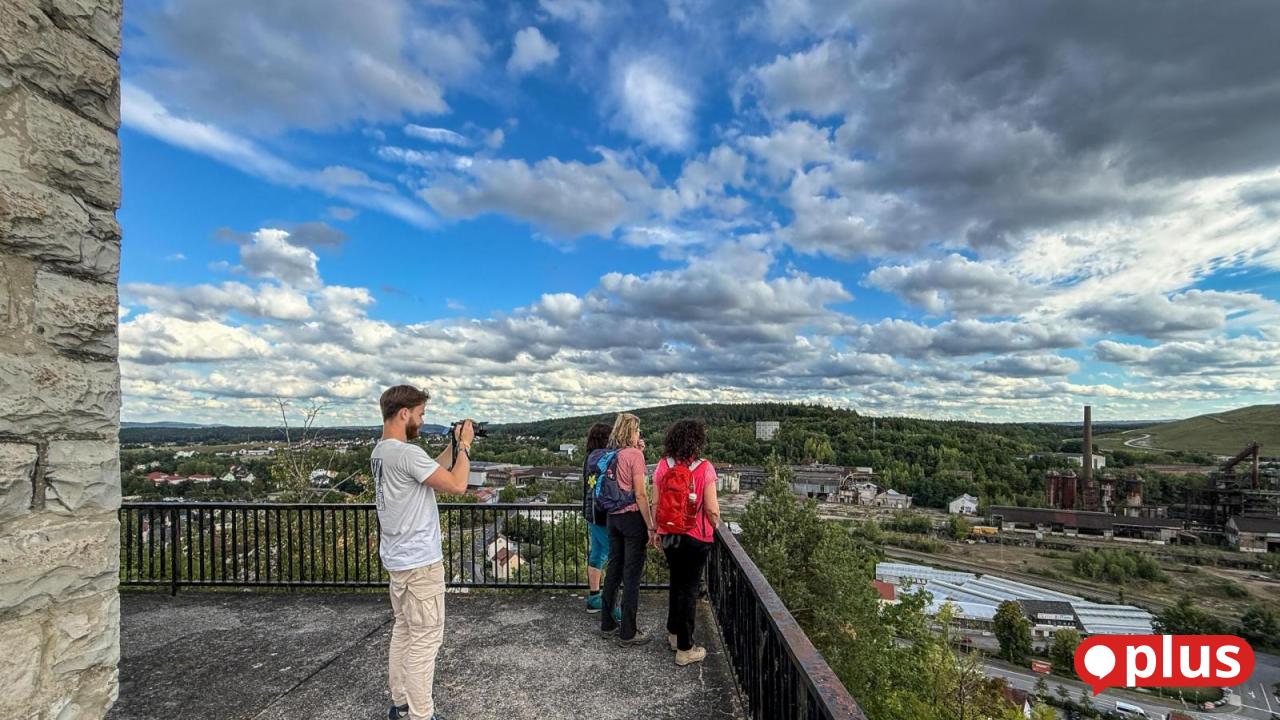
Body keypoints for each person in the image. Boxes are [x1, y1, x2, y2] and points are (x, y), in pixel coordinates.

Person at [372, 385, 475, 720]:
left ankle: (401, 704)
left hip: (399, 561)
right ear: (404, 413)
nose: (421, 420)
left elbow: (433, 470)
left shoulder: (383, 452)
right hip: (420, 564)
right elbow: (458, 484)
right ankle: (421, 715)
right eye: (420, 414)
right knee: (426, 641)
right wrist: (466, 447)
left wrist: (453, 446)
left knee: (404, 630)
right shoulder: (405, 453)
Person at [652, 418, 720, 666]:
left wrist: (655, 530)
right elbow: (712, 510)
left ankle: (673, 634)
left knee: (676, 583)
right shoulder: (705, 468)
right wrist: (718, 526)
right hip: (695, 536)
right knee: (689, 590)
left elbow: (656, 504)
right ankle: (685, 648)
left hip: (670, 535)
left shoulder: (662, 466)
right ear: (697, 441)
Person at [598, 412, 657, 646]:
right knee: (631, 576)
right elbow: (640, 494)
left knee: (614, 569)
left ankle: (607, 623)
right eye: (637, 431)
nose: (639, 434)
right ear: (632, 432)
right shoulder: (635, 456)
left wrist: (638, 450)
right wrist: (651, 525)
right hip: (632, 519)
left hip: (612, 518)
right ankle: (628, 632)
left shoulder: (613, 454)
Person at [580, 422, 619, 621]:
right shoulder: (605, 457)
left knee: (597, 554)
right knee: (615, 557)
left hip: (591, 513)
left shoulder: (589, 457)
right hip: (603, 514)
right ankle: (611, 606)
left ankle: (594, 597)